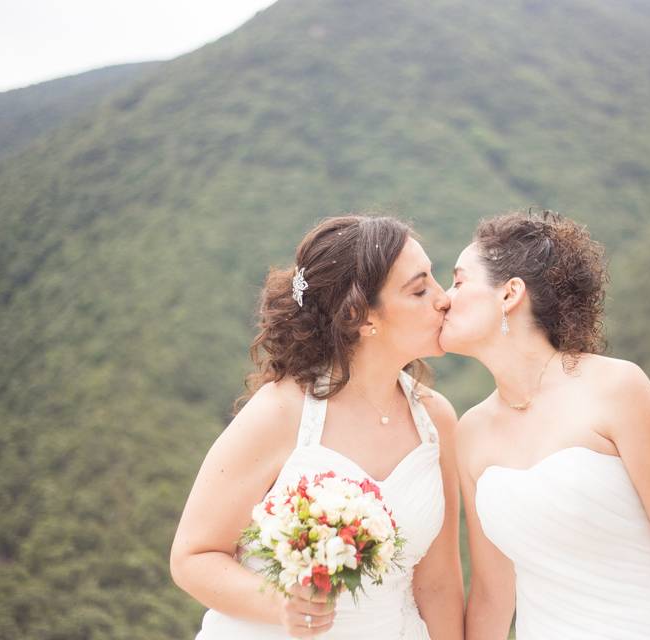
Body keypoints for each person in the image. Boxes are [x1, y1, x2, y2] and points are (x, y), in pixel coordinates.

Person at [441, 210, 650, 640]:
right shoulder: (471, 431)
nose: (444, 298)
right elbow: (491, 594)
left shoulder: (618, 387)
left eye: (459, 281)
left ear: (510, 294)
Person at [170, 215, 464, 639]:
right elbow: (193, 557)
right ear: (361, 317)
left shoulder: (436, 420)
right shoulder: (280, 413)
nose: (443, 299)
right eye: (419, 290)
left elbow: (437, 584)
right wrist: (282, 603)